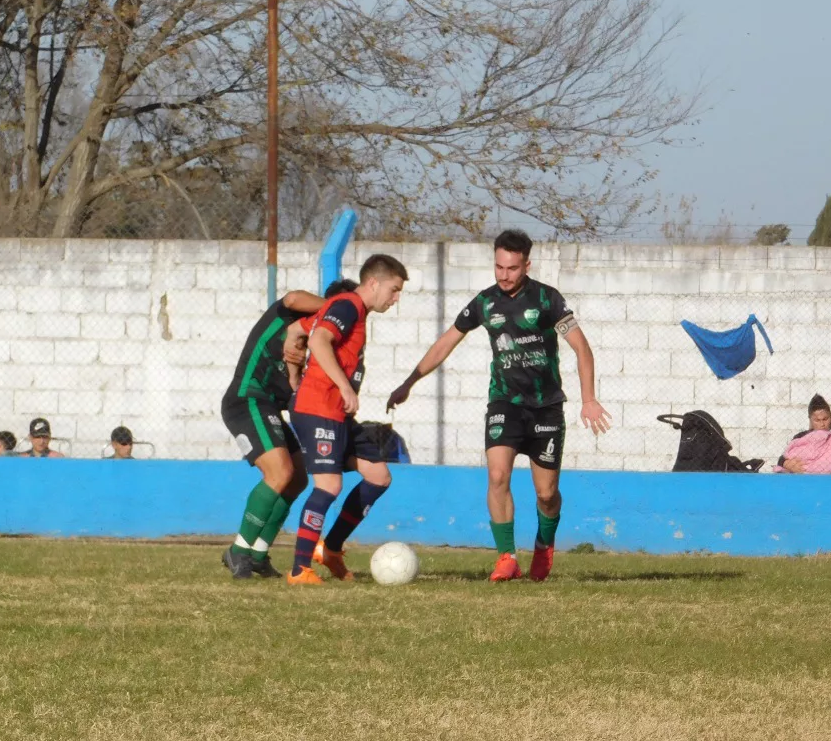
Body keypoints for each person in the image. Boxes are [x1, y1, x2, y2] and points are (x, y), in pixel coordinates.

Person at [386, 229, 611, 582]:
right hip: (505, 403)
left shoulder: (548, 299)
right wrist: (409, 382)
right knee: (497, 475)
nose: (504, 275)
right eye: (499, 267)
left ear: (527, 266)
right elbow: (446, 342)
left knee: (546, 494)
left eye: (512, 268)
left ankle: (544, 545)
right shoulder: (484, 302)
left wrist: (589, 399)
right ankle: (507, 557)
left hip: (546, 407)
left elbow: (582, 348)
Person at [287, 256, 408, 586]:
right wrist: (342, 385)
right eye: (394, 290)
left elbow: (297, 330)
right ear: (374, 283)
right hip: (319, 408)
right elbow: (318, 340)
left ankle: (331, 549)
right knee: (329, 485)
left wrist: (294, 368)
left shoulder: (355, 311)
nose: (396, 298)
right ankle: (299, 569)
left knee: (378, 476)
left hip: (336, 412)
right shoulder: (348, 305)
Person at [219, 279, 353, 580]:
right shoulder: (294, 314)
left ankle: (257, 555)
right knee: (279, 472)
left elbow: (296, 391)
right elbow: (292, 298)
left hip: (267, 408)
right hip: (246, 399)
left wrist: (299, 373)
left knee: (297, 479)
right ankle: (238, 550)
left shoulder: (316, 341)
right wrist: (337, 309)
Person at [777, 395, 831, 473]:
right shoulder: (802, 437)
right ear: (810, 419)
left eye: (825, 419)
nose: (822, 424)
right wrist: (786, 463)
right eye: (817, 420)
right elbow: (784, 456)